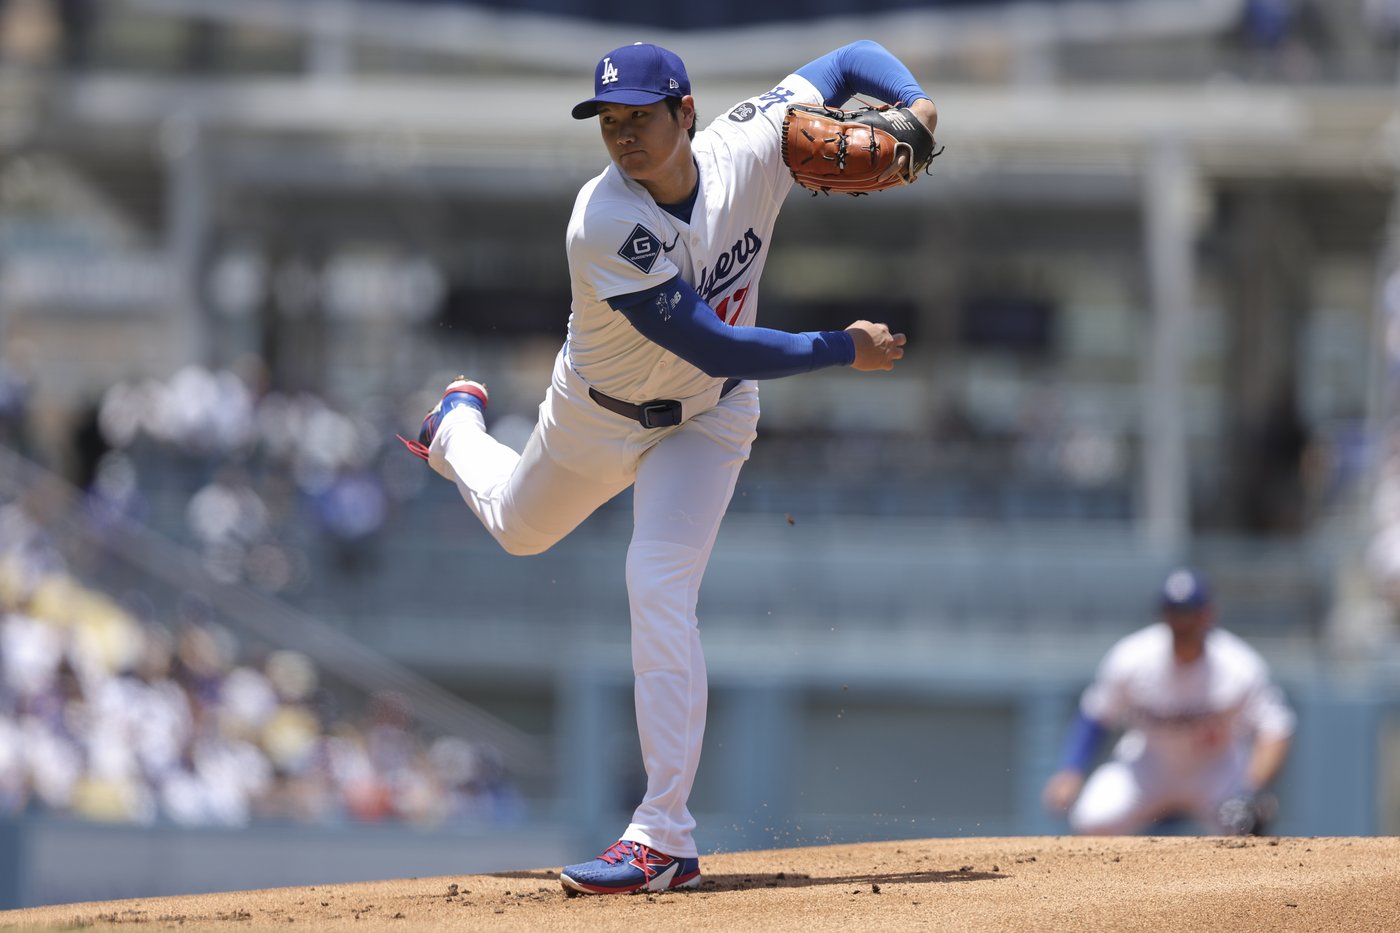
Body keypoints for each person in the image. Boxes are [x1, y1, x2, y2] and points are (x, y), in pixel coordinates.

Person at [401, 40, 935, 894]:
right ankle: (456, 425)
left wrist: (916, 104)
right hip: (596, 416)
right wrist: (841, 347)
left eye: (641, 117)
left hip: (707, 418)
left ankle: (662, 838)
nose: (623, 135)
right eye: (609, 121)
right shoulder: (603, 219)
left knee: (655, 581)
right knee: (517, 528)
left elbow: (850, 61)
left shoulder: (752, 141)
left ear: (686, 112)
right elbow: (711, 339)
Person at [1041, 567, 1296, 836]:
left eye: (1188, 612)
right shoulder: (1133, 657)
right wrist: (1071, 770)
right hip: (1149, 764)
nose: (1181, 621)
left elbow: (1276, 728)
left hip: (1215, 769)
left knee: (1243, 823)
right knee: (1093, 820)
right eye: (1174, 612)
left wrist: (1252, 789)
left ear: (1207, 614)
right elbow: (1096, 715)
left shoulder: (1238, 665)